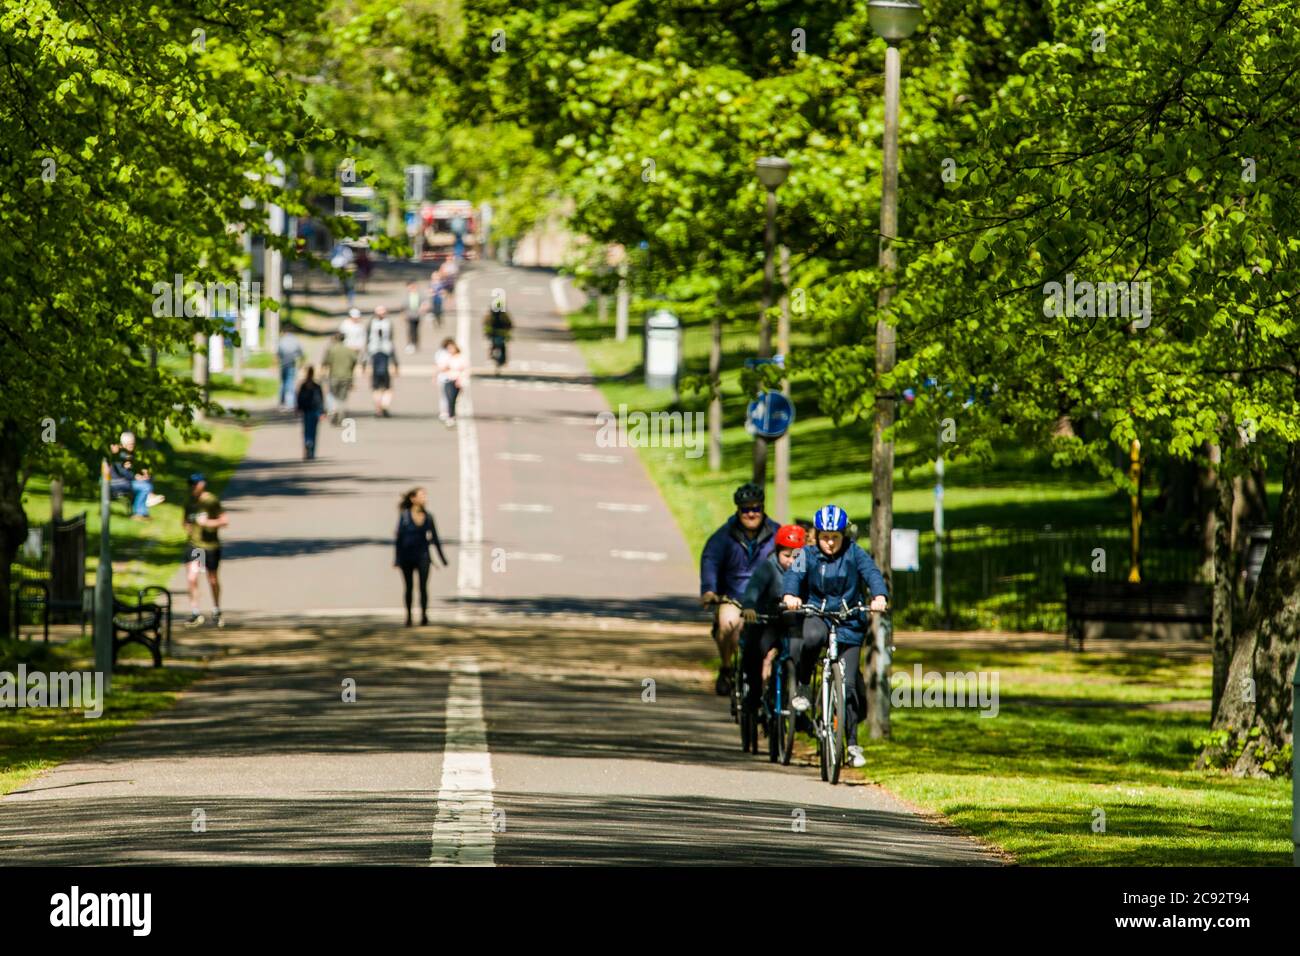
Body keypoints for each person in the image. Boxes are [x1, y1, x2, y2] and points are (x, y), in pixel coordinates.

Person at [781, 504, 889, 769]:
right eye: (825, 537)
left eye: (835, 537)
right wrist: (791, 595)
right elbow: (794, 575)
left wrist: (879, 596)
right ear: (816, 535)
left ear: (843, 535)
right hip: (818, 613)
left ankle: (851, 742)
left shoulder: (854, 553)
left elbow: (872, 573)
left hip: (849, 621)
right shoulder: (807, 554)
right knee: (811, 638)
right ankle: (804, 685)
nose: (829, 543)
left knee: (849, 684)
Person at [699, 482, 779, 696]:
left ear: (763, 508)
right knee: (728, 625)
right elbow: (710, 561)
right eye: (746, 509)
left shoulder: (776, 533)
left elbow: (793, 558)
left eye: (756, 509)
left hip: (768, 600)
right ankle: (727, 668)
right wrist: (709, 590)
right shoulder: (723, 536)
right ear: (738, 510)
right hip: (734, 597)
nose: (751, 514)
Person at [739, 524, 806, 714]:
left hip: (792, 625)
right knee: (753, 649)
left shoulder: (806, 571)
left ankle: (793, 696)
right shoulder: (768, 568)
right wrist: (750, 606)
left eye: (796, 556)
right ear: (777, 552)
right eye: (786, 556)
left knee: (799, 653)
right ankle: (754, 693)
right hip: (767, 621)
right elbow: (753, 588)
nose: (791, 561)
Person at [395, 486, 449, 626]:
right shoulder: (405, 516)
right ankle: (409, 617)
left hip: (423, 557)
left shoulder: (429, 517)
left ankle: (424, 616)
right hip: (407, 557)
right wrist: (397, 558)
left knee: (423, 588)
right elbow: (399, 538)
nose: (425, 498)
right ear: (413, 499)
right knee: (409, 587)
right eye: (422, 495)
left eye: (425, 496)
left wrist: (442, 558)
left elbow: (435, 538)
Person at [183, 473, 228, 628]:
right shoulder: (190, 502)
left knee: (212, 579)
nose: (193, 488)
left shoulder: (211, 501)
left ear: (202, 484)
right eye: (191, 484)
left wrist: (208, 522)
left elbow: (224, 521)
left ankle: (216, 609)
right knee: (192, 577)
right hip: (196, 546)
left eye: (195, 484)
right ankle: (195, 612)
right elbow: (185, 521)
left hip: (210, 546)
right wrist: (189, 528)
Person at [108, 431, 164, 519]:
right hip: (118, 483)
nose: (132, 446)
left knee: (146, 482)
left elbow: (129, 470)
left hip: (123, 481)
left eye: (133, 444)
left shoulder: (126, 454)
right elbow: (123, 472)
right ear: (123, 444)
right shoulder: (121, 455)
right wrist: (136, 477)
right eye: (130, 444)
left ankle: (146, 504)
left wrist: (141, 474)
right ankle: (139, 512)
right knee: (145, 487)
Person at [367, 306, 399, 417]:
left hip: (380, 358)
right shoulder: (378, 325)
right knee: (383, 388)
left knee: (381, 388)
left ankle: (380, 407)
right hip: (380, 359)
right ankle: (381, 406)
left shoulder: (379, 325)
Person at [322, 332, 357, 425]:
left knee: (333, 396)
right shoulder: (349, 350)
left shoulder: (331, 349)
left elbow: (325, 362)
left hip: (334, 376)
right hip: (346, 376)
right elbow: (355, 361)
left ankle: (334, 412)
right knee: (342, 397)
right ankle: (340, 415)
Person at [435, 338, 469, 427]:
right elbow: (440, 367)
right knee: (448, 398)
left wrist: (461, 380)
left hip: (457, 381)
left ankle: (451, 414)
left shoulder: (461, 358)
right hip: (448, 380)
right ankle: (450, 416)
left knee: (453, 399)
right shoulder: (447, 357)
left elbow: (465, 370)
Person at [296, 367, 325, 459]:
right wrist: (322, 412)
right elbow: (320, 400)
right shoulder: (317, 386)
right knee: (313, 431)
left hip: (306, 411)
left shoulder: (303, 386)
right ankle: (312, 452)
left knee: (306, 430)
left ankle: (307, 443)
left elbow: (299, 398)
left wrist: (299, 408)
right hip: (315, 411)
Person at [276, 328, 304, 410]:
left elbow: (278, 353)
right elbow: (301, 352)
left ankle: (281, 402)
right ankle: (291, 404)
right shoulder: (295, 340)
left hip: (283, 365)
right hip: (292, 364)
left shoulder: (282, 340)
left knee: (283, 383)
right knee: (291, 383)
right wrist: (301, 362)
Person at [405, 281, 423, 353]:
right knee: (410, 330)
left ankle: (415, 343)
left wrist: (422, 309)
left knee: (416, 330)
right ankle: (411, 343)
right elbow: (404, 306)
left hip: (417, 315)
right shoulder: (407, 296)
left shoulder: (419, 295)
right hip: (410, 315)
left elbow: (424, 303)